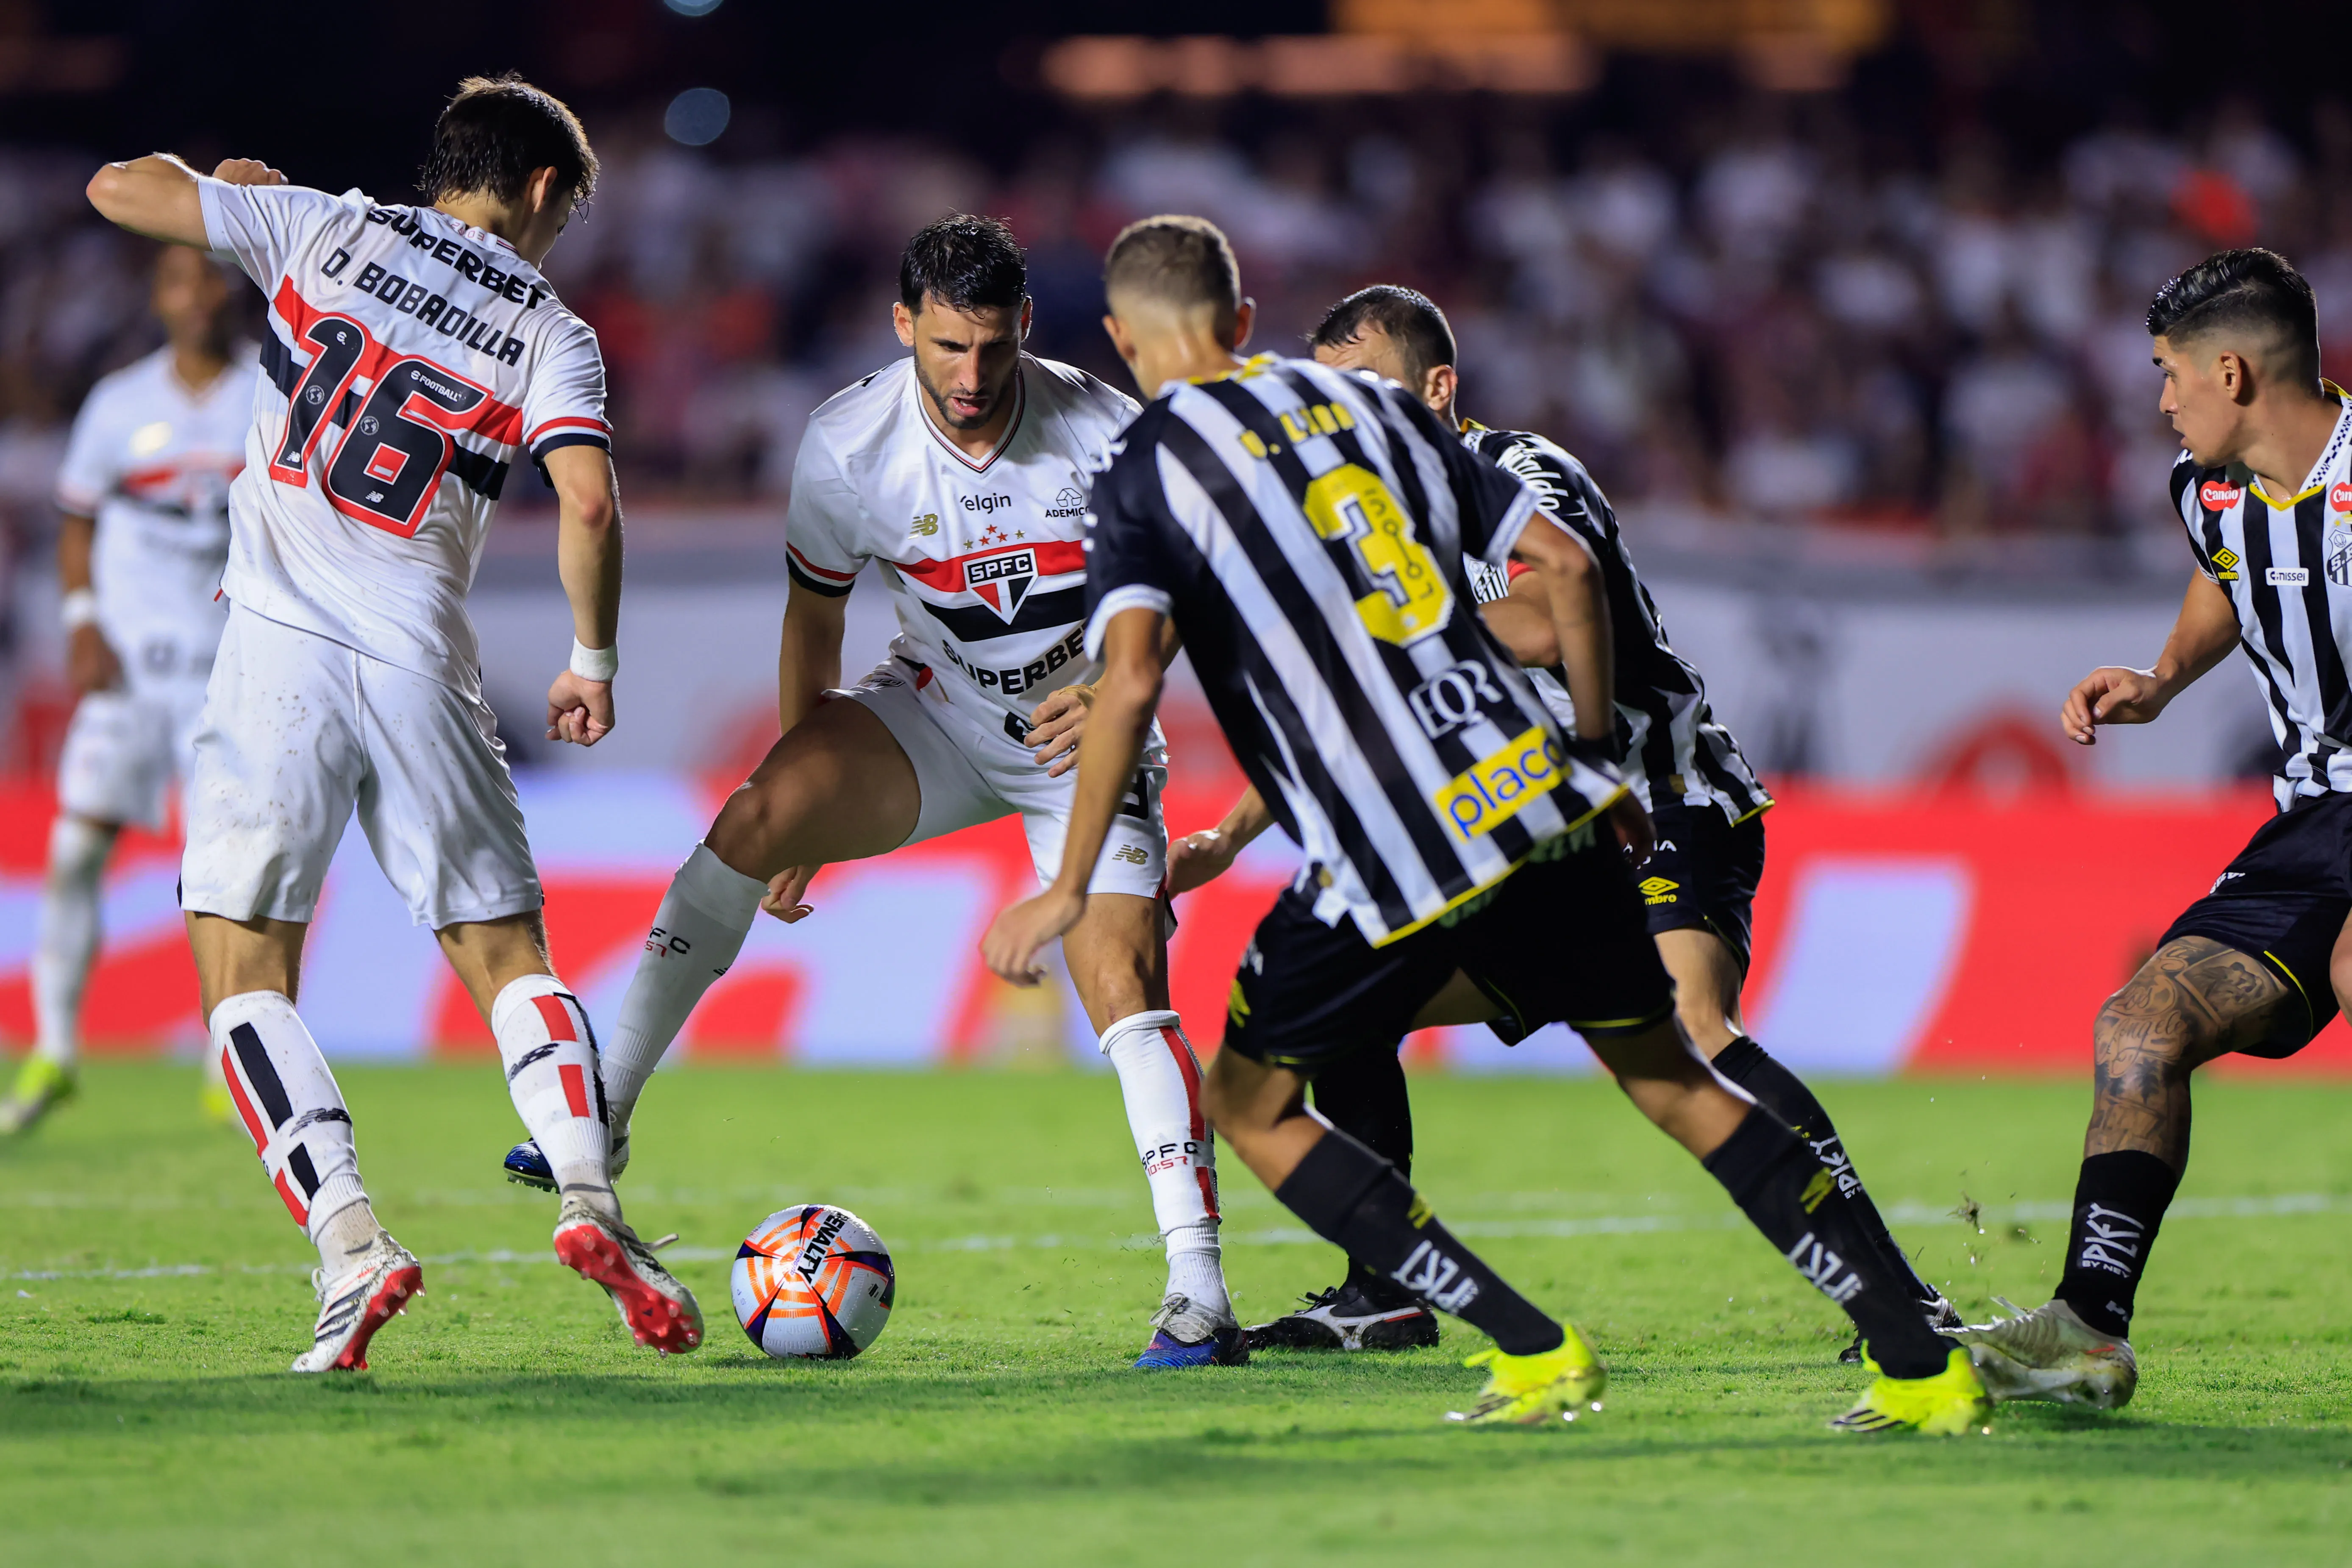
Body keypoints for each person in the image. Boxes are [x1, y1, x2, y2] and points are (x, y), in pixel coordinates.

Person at [981, 214, 1988, 1431]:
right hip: (1542, 805)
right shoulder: (1375, 420)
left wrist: (1065, 880)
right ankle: (1916, 1359)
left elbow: (1143, 682)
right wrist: (1572, 749)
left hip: (1418, 839)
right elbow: (1557, 574)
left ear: (1121, 339)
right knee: (1668, 1074)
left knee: (1251, 1099)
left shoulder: (1149, 467)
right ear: (1244, 324)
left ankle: (1525, 1342)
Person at [501, 216, 1241, 1368]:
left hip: (1073, 742)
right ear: (903, 326)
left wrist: (1112, 688)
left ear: (1023, 331)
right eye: (945, 347)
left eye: (992, 349)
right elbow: (815, 617)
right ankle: (601, 1113)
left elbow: (1211, 579)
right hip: (937, 717)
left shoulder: (1102, 428)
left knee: (1120, 976)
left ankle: (1197, 1292)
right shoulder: (847, 443)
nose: (969, 376)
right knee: (749, 821)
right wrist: (807, 801)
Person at [1179, 285, 1953, 1361]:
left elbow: (1551, 617)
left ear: (1438, 389)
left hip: (1661, 800)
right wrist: (1226, 837)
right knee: (1347, 1011)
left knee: (1695, 1035)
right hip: (1522, 850)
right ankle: (1385, 1295)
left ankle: (1900, 1299)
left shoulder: (1522, 478)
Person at [81, 74, 701, 1372]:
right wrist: (592, 657)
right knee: (507, 954)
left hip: (275, 654)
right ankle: (593, 1202)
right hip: (425, 656)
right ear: (541, 190)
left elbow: (116, 186)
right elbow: (587, 505)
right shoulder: (553, 327)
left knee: (243, 968)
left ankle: (353, 1243)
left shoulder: (323, 228)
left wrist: (232, 198)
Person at [1960, 248, 2352, 1410]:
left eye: (2166, 374)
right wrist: (2161, 679)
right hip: (2311, 821)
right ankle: (2087, 1326)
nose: (2160, 398)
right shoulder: (2209, 492)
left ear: (2228, 370)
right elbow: (2224, 576)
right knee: (2137, 1022)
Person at [2, 247, 254, 1134]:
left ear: (232, 291)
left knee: (224, 876)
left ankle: (229, 1059)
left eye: (212, 279)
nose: (197, 297)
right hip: (131, 669)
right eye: (180, 281)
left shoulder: (271, 394)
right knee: (75, 852)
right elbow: (76, 521)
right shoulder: (119, 404)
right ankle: (55, 1051)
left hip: (229, 671)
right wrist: (79, 618)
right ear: (157, 299)